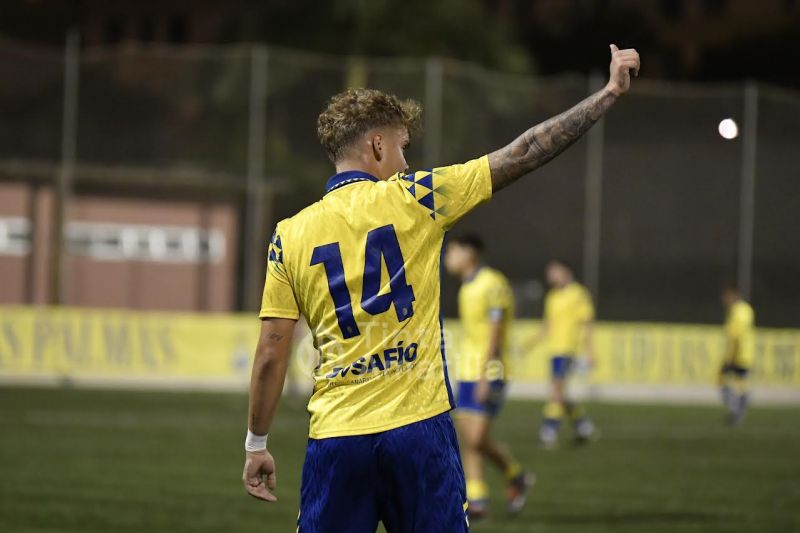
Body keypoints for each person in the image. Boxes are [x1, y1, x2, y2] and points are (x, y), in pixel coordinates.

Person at [242, 44, 640, 531]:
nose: (406, 162)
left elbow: (270, 351)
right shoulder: (418, 198)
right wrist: (607, 94)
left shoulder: (289, 235)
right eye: (402, 147)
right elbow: (526, 151)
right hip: (419, 431)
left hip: (337, 438)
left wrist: (257, 444)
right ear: (378, 147)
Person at [444, 234, 531, 520]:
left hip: (489, 369)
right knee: (469, 438)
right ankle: (478, 499)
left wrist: (485, 374)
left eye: (453, 251)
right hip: (467, 369)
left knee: (478, 437)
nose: (448, 257)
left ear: (469, 253)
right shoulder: (466, 287)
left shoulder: (490, 282)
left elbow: (496, 330)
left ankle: (515, 475)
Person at [529, 260, 596, 448]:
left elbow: (586, 323)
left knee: (556, 389)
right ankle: (582, 425)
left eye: (554, 272)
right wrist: (530, 343)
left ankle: (549, 429)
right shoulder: (551, 297)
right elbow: (547, 326)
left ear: (566, 272)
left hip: (568, 350)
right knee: (560, 392)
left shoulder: (578, 294)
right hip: (555, 350)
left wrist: (589, 351)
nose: (551, 276)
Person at [720, 285, 755, 425]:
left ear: (733, 296)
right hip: (747, 355)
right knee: (741, 385)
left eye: (726, 297)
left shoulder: (736, 312)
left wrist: (729, 359)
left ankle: (737, 412)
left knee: (725, 384)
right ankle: (739, 412)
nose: (724, 300)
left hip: (738, 356)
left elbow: (735, 336)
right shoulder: (747, 309)